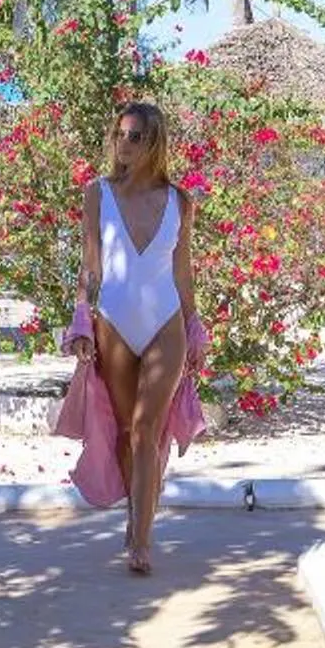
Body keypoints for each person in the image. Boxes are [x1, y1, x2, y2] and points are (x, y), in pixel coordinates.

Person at [56, 101, 210, 574]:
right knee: (126, 432)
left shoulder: (180, 202)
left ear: (154, 142)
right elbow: (91, 266)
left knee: (148, 430)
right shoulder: (96, 194)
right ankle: (134, 516)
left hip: (165, 324)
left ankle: (141, 540)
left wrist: (194, 323)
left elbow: (182, 275)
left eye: (135, 136)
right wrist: (82, 316)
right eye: (119, 134)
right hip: (115, 322)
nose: (124, 144)